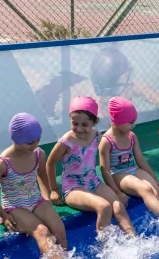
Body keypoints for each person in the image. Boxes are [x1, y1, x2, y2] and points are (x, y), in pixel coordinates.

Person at [0, 114, 76, 259]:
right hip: (14, 206)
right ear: (15, 139)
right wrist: (4, 215)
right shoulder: (2, 163)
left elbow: (41, 175)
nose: (35, 145)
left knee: (59, 228)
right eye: (30, 142)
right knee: (41, 231)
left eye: (38, 140)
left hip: (35, 200)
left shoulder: (39, 154)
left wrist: (46, 198)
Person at [46, 97, 136, 236]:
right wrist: (53, 190)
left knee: (118, 206)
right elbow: (50, 163)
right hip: (73, 187)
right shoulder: (66, 141)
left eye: (85, 124)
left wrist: (117, 190)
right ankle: (107, 249)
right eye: (75, 123)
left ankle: (133, 239)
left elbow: (104, 164)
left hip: (94, 182)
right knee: (104, 207)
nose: (79, 129)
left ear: (94, 122)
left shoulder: (97, 136)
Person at [100, 97, 159, 221]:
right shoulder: (106, 141)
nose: (134, 125)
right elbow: (105, 170)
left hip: (133, 169)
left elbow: (140, 160)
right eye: (130, 122)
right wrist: (117, 192)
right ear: (117, 120)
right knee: (145, 189)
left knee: (156, 189)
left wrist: (156, 179)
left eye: (134, 121)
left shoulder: (131, 136)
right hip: (119, 174)